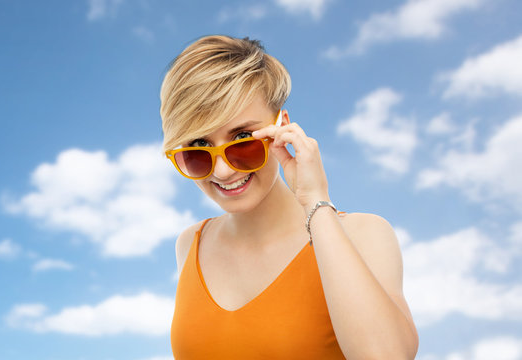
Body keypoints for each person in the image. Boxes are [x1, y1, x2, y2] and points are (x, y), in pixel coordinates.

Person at [160, 35, 419, 359]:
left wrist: (315, 202)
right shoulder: (191, 244)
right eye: (198, 148)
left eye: (242, 138)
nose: (223, 171)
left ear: (281, 126)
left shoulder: (363, 234)